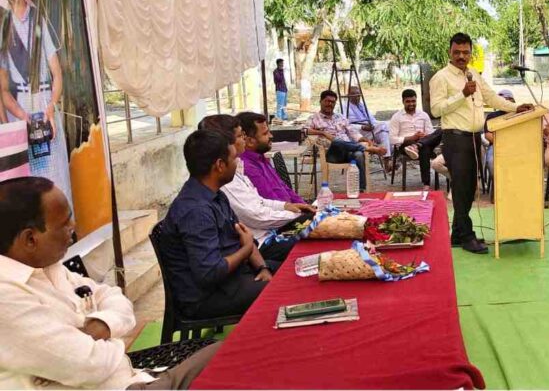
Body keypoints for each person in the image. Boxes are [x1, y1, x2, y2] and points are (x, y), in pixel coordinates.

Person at [0, 176, 222, 389]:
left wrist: (103, 325)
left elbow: (115, 297)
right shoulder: (6, 298)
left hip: (134, 377)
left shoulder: (49, 267)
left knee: (225, 354)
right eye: (64, 224)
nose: (74, 227)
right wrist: (113, 340)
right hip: (124, 385)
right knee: (226, 360)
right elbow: (90, 365)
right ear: (30, 239)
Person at [429, 33, 531, 254]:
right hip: (455, 138)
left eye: (465, 52)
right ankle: (467, 236)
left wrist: (515, 108)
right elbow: (435, 110)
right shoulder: (441, 77)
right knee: (462, 188)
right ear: (449, 52)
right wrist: (462, 94)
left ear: (470, 53)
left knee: (468, 187)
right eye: (457, 52)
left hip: (474, 138)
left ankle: (457, 234)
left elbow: (491, 97)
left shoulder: (473, 73)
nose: (461, 56)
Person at [163, 130, 271, 319]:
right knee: (284, 291)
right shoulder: (196, 211)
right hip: (208, 297)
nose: (237, 163)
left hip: (233, 279)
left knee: (292, 270)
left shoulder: (216, 195)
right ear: (220, 165)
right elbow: (209, 273)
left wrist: (263, 268)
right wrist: (245, 249)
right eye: (234, 158)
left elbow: (244, 236)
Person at [0, 0, 72, 206]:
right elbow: (3, 91)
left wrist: (51, 107)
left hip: (46, 109)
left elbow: (57, 74)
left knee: (58, 186)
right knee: (33, 196)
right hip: (21, 115)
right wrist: (24, 118)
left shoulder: (38, 18)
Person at [200, 115, 314, 268]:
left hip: (267, 233)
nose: (244, 139)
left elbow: (260, 200)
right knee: (312, 243)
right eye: (240, 136)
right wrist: (295, 214)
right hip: (264, 240)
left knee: (318, 224)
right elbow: (257, 215)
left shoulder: (239, 167)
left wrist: (287, 206)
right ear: (226, 144)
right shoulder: (227, 178)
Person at [306, 89, 387, 192]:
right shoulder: (313, 118)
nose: (329, 104)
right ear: (320, 101)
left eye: (332, 102)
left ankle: (361, 190)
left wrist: (365, 139)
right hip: (332, 154)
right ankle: (369, 149)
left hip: (348, 151)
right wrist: (323, 133)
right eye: (327, 101)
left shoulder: (340, 117)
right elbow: (304, 130)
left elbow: (353, 133)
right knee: (336, 141)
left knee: (358, 154)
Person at [230, 112, 307, 205]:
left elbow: (284, 188)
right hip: (283, 212)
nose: (271, 136)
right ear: (250, 141)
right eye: (265, 133)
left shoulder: (261, 158)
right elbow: (272, 201)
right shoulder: (248, 167)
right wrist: (298, 209)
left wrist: (305, 206)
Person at [389, 89, 441, 187]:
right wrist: (412, 137)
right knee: (424, 149)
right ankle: (426, 183)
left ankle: (417, 145)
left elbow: (431, 133)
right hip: (406, 146)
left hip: (424, 141)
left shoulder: (423, 115)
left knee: (441, 131)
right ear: (403, 101)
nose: (411, 104)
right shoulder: (396, 117)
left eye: (413, 101)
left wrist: (425, 135)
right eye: (408, 101)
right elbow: (392, 139)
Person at [344, 87, 392, 169]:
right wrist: (362, 127)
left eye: (358, 94)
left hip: (371, 130)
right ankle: (377, 148)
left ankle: (386, 163)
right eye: (354, 94)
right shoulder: (345, 106)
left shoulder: (361, 105)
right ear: (348, 95)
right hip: (358, 133)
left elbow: (372, 119)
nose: (357, 96)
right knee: (385, 125)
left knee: (384, 133)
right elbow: (347, 125)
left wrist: (373, 125)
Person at [483, 89, 515, 180]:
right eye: (502, 100)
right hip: (496, 146)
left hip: (515, 146)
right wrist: (503, 143)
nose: (506, 102)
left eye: (508, 99)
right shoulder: (492, 116)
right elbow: (487, 135)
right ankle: (498, 184)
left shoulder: (519, 114)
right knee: (492, 161)